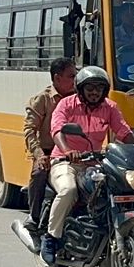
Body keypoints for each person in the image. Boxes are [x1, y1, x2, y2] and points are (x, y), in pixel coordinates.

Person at [43, 65, 134, 265]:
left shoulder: (109, 107)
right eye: (90, 88)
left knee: (112, 190)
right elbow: (57, 129)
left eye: (99, 88)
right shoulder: (67, 104)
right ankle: (51, 237)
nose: (94, 92)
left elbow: (123, 131)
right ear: (80, 89)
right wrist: (67, 150)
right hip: (64, 162)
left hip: (94, 163)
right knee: (68, 190)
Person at [21, 57, 76, 233]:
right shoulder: (43, 100)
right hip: (48, 151)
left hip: (76, 151)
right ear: (58, 78)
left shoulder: (80, 98)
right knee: (39, 173)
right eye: (71, 76)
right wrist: (39, 155)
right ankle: (34, 217)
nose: (75, 80)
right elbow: (29, 130)